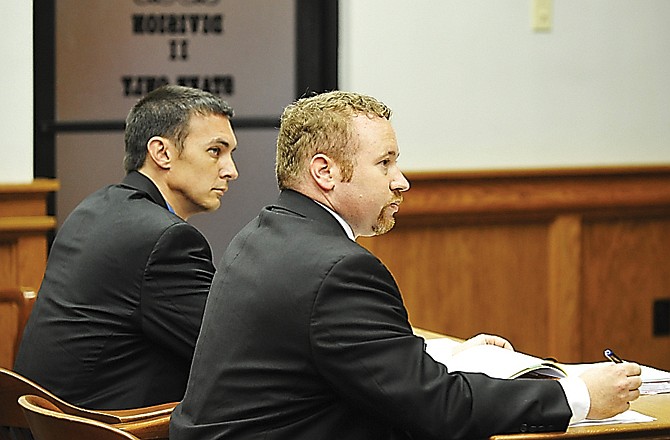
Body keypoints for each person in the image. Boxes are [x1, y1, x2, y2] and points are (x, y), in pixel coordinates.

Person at [169, 91, 641, 440]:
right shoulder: (338, 268)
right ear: (325, 172)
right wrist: (577, 394)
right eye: (385, 163)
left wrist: (448, 358)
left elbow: (350, 362)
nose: (403, 181)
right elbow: (437, 409)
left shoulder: (262, 236)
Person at [14, 84, 239, 409]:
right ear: (162, 153)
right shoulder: (166, 241)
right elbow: (231, 348)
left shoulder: (94, 207)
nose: (231, 170)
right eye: (215, 151)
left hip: (42, 423)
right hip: (99, 429)